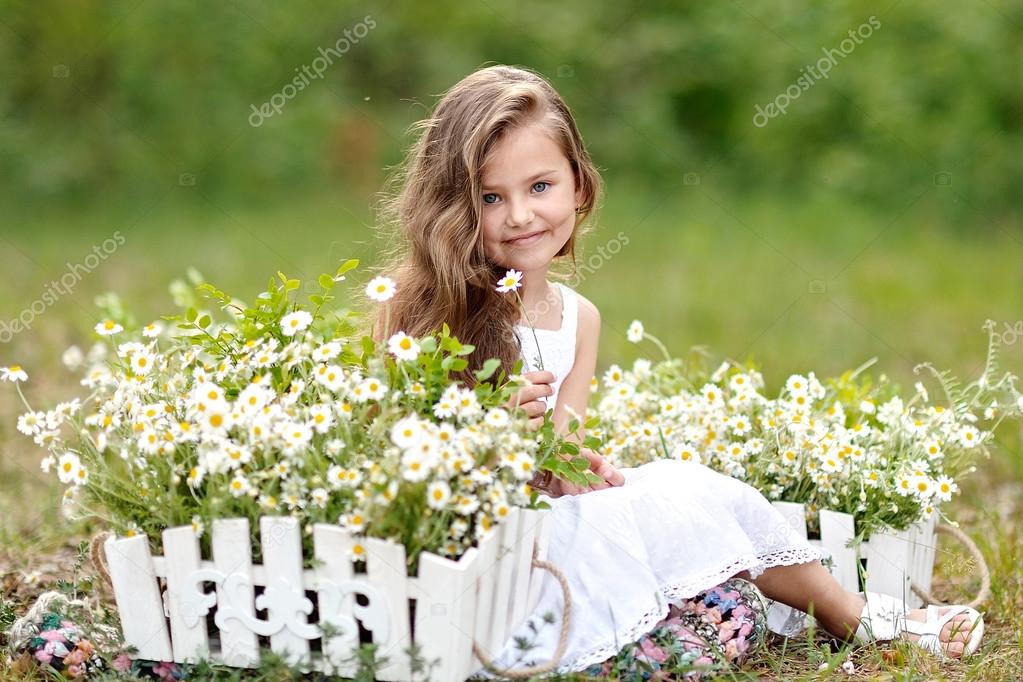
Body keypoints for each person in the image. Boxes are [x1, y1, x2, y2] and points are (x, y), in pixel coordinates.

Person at [371, 64, 984, 677]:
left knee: (682, 488)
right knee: (693, 557)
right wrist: (490, 430)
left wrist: (575, 470)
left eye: (540, 187)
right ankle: (652, 641)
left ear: (579, 187)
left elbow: (563, 452)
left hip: (559, 521)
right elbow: (393, 462)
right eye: (489, 197)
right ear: (451, 207)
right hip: (491, 554)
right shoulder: (427, 316)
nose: (521, 216)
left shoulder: (578, 319)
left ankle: (850, 612)